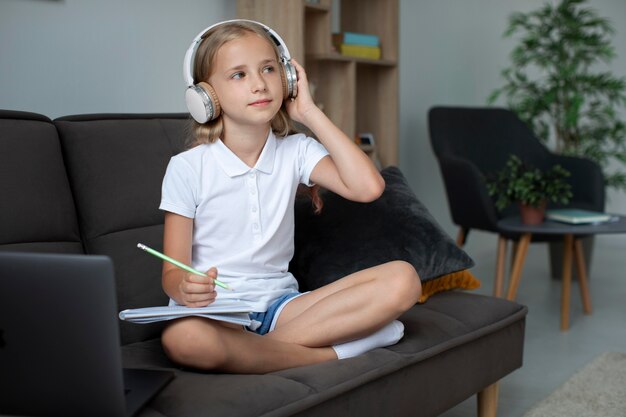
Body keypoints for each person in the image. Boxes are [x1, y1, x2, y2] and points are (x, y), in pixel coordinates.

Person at [159, 20, 421, 373]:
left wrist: (310, 113)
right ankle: (331, 352)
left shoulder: (296, 150)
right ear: (205, 96)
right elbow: (171, 274)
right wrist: (184, 287)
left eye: (268, 68)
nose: (259, 83)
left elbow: (368, 188)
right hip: (216, 313)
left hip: (283, 308)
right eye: (238, 75)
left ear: (288, 78)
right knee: (183, 340)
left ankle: (258, 352)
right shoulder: (187, 168)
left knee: (403, 280)